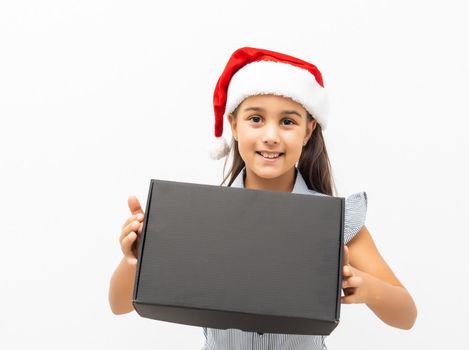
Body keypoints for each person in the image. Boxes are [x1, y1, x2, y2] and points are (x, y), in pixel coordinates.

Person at [108, 47, 417, 350]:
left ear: (308, 132)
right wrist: (135, 254)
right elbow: (119, 304)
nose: (271, 135)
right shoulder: (201, 218)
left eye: (288, 122)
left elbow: (406, 315)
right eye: (256, 119)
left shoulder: (336, 222)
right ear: (234, 125)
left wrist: (365, 287)